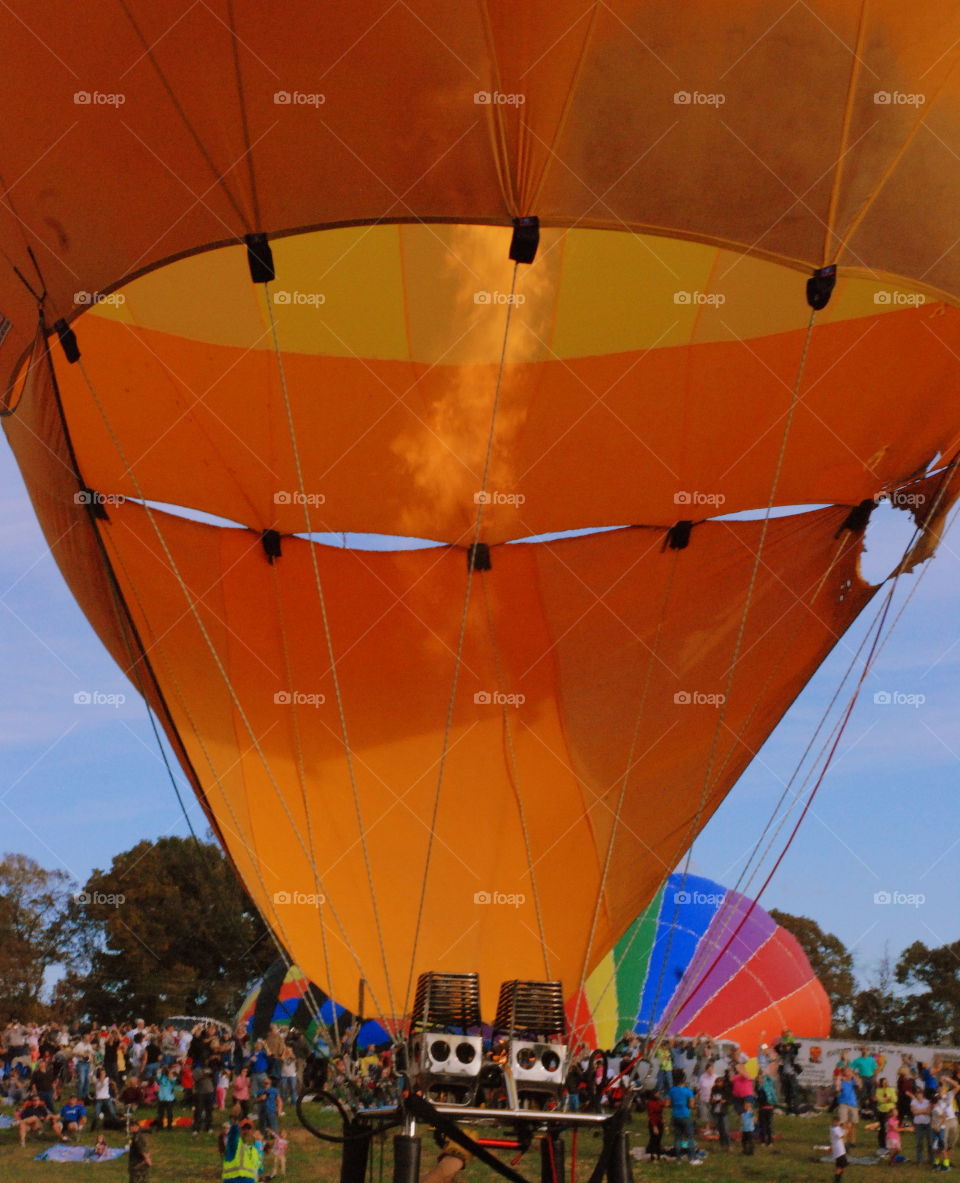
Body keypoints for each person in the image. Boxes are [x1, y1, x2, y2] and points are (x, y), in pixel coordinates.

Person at [221, 1117, 264, 1182]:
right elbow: (232, 1136)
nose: (246, 1131)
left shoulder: (255, 1150)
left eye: (249, 1128)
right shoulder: (235, 1144)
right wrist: (235, 1121)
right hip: (233, 1179)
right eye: (243, 1128)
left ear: (252, 1132)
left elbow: (258, 1168)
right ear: (239, 1130)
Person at [834, 1066, 860, 1146]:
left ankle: (852, 1141)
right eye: (847, 1071)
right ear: (843, 1072)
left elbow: (860, 1085)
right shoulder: (840, 1081)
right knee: (843, 1123)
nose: (849, 1072)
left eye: (850, 1071)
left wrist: (854, 1075)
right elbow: (837, 1091)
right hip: (843, 1103)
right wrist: (838, 1079)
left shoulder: (853, 1081)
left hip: (853, 1104)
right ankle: (844, 1141)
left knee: (853, 1123)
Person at [851, 1047, 877, 1115]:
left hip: (870, 1078)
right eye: (863, 1050)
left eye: (866, 1049)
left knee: (871, 1094)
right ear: (861, 1051)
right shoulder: (857, 1060)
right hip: (862, 1078)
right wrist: (856, 1077)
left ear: (868, 1051)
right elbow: (852, 1069)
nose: (864, 1051)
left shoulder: (871, 1059)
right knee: (862, 1094)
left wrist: (874, 1078)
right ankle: (862, 1110)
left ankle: (871, 1110)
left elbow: (875, 1069)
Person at [912, 1084, 934, 1166]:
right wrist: (923, 1110)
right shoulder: (913, 1102)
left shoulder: (927, 1102)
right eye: (917, 1093)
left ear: (922, 1093)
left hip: (927, 1124)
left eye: (920, 1092)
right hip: (918, 1124)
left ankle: (931, 1160)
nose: (918, 1094)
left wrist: (919, 1111)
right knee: (919, 1143)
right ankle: (919, 1160)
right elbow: (914, 1112)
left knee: (930, 1143)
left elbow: (929, 1111)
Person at [128, 1118, 153, 1183]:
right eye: (130, 1125)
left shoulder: (138, 1137)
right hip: (137, 1163)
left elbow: (142, 1149)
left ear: (137, 1126)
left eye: (132, 1126)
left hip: (139, 1164)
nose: (130, 1127)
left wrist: (148, 1160)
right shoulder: (136, 1136)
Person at [875, 1076, 896, 1149]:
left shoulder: (891, 1089)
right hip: (882, 1111)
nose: (886, 1083)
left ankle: (890, 1142)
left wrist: (887, 1099)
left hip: (890, 1110)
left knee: (890, 1127)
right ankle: (882, 1144)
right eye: (884, 1082)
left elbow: (895, 1099)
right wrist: (886, 1099)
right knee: (883, 1127)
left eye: (886, 1082)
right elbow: (879, 1099)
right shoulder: (878, 1090)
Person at [757, 1070, 777, 1146]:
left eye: (761, 1078)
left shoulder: (768, 1086)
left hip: (768, 1108)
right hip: (762, 1109)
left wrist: (765, 1074)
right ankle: (763, 1141)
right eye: (758, 1079)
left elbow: (770, 1079)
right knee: (762, 1125)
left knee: (769, 1125)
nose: (759, 1080)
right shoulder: (758, 1088)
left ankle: (770, 1141)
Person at [710, 1077, 730, 1150]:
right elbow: (711, 1099)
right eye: (717, 1082)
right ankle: (722, 1144)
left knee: (726, 1129)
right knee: (720, 1129)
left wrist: (725, 1101)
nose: (718, 1084)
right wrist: (713, 1100)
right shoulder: (714, 1089)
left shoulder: (725, 1089)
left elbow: (729, 1099)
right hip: (715, 1111)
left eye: (719, 1082)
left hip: (723, 1111)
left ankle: (729, 1145)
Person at [645, 1088, 665, 1161]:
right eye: (657, 1093)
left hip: (659, 1122)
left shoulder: (658, 1102)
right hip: (654, 1123)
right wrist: (654, 1126)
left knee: (658, 1139)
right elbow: (651, 1115)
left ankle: (657, 1154)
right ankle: (653, 1154)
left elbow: (664, 1105)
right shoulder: (650, 1103)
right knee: (654, 1139)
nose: (659, 1094)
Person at [830, 1116, 848, 1182]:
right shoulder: (835, 1129)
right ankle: (837, 1179)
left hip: (840, 1150)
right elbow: (843, 1136)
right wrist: (845, 1129)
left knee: (843, 1164)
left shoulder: (834, 1128)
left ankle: (839, 1178)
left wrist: (842, 1128)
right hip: (839, 1151)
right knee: (840, 1166)